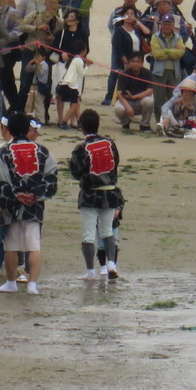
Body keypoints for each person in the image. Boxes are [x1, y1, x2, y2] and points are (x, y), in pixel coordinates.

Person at [0, 113, 56, 295]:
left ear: (9, 129)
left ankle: (11, 283)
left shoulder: (3, 153)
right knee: (33, 245)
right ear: (27, 129)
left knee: (11, 246)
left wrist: (15, 195)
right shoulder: (42, 151)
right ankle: (32, 284)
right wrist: (37, 195)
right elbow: (51, 176)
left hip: (11, 207)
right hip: (35, 206)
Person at [69, 108, 125, 282]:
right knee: (107, 232)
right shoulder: (110, 143)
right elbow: (116, 162)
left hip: (89, 195)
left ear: (82, 126)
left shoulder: (81, 148)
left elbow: (76, 171)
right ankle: (111, 265)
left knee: (88, 235)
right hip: (110, 193)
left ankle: (90, 271)